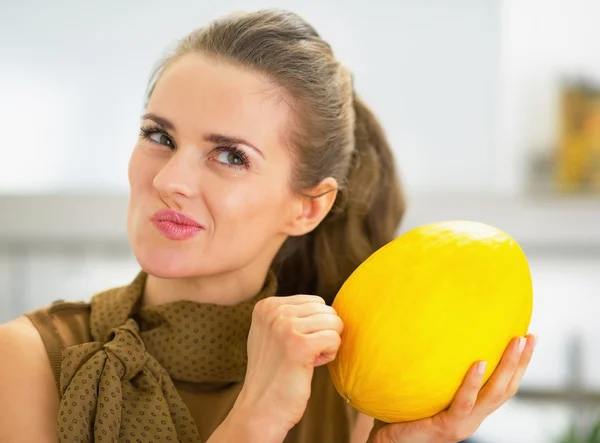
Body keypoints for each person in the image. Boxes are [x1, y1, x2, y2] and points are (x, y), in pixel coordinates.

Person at [0, 9, 536, 443]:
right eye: (160, 136)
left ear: (308, 207)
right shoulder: (27, 360)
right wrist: (254, 422)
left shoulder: (350, 385)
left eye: (230, 156)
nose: (171, 180)